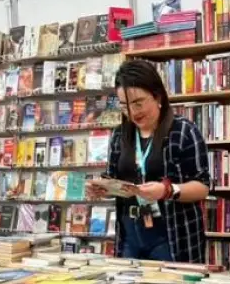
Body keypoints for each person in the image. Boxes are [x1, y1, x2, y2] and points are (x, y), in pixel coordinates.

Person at [89, 59, 211, 262]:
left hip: (172, 236)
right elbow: (112, 179)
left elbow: (203, 186)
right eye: (125, 106)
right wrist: (102, 189)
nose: (133, 112)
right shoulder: (119, 135)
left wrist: (167, 191)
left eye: (138, 103)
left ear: (157, 95)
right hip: (130, 236)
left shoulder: (183, 131)